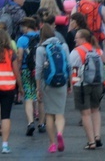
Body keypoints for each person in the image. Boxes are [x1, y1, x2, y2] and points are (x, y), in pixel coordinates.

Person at [35, 24, 70, 153]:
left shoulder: (41, 49)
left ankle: (52, 144)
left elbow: (38, 70)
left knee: (49, 114)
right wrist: (69, 82)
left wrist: (38, 88)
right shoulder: (63, 46)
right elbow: (69, 65)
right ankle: (59, 133)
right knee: (60, 114)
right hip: (62, 82)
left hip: (47, 83)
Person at [69, 28, 104, 150]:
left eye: (77, 38)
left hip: (81, 85)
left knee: (85, 113)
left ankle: (91, 142)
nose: (74, 40)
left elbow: (71, 69)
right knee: (96, 109)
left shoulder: (76, 52)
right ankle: (97, 136)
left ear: (83, 39)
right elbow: (104, 65)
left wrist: (70, 85)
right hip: (97, 84)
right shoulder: (97, 50)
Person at [17, 17, 40, 137]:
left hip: (26, 69)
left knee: (28, 96)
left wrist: (18, 69)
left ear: (26, 26)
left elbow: (20, 57)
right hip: (39, 71)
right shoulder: (40, 36)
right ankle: (41, 121)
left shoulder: (22, 39)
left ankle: (30, 122)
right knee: (39, 94)